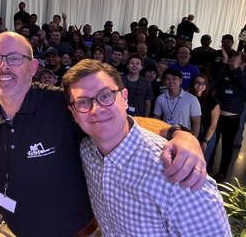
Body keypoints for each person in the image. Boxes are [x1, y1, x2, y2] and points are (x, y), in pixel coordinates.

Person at [0, 32, 207, 237]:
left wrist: (178, 133)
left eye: (14, 58)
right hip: (12, 230)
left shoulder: (59, 104)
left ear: (33, 66)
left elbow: (117, 121)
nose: (4, 67)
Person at [62, 59, 231, 237]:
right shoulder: (87, 151)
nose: (96, 109)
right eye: (82, 102)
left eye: (105, 96)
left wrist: (182, 134)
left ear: (125, 98)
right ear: (73, 112)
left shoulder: (179, 173)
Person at [208, 51, 246, 183]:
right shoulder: (225, 73)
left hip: (232, 119)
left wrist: (237, 68)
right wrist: (223, 62)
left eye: (235, 61)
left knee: (227, 146)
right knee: (212, 142)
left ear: (243, 64)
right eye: (231, 61)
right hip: (217, 116)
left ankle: (223, 171)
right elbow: (215, 76)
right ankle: (208, 165)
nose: (232, 64)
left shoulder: (244, 78)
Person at [153, 69, 201, 138]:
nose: (171, 81)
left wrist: (194, 139)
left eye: (174, 78)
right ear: (164, 81)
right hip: (165, 137)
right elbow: (156, 120)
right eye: (168, 79)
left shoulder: (191, 99)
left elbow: (196, 122)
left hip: (184, 137)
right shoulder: (160, 98)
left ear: (180, 80)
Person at [189, 73, 220, 164]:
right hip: (189, 132)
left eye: (203, 83)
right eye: (197, 82)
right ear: (193, 83)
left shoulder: (213, 102)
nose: (200, 85)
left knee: (201, 163)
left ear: (206, 85)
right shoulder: (186, 96)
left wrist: (205, 141)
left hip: (205, 134)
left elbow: (213, 125)